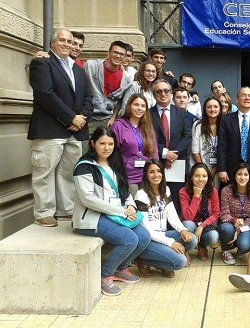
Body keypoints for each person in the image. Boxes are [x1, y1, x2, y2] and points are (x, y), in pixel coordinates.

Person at [73, 127, 151, 296]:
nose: (106, 147)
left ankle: (120, 268)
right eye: (102, 143)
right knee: (129, 239)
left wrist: (131, 206)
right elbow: (89, 199)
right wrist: (122, 211)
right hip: (93, 217)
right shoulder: (84, 167)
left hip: (117, 214)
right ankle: (105, 275)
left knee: (144, 236)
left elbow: (125, 191)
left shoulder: (114, 164)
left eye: (110, 144)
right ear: (93, 144)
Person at [28, 27, 93, 227]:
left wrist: (81, 118)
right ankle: (44, 213)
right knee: (44, 173)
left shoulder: (78, 69)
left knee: (67, 173)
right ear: (52, 43)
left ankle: (66, 210)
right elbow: (45, 95)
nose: (67, 44)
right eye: (62, 40)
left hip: (74, 132)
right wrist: (70, 118)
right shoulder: (42, 63)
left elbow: (88, 97)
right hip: (50, 130)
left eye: (70, 41)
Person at [134, 159, 197, 277]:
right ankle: (142, 260)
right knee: (180, 262)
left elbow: (172, 215)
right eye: (151, 172)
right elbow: (146, 229)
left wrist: (182, 230)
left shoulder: (165, 190)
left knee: (192, 239)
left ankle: (162, 263)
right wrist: (171, 243)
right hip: (148, 240)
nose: (156, 175)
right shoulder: (141, 195)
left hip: (163, 235)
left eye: (159, 171)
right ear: (146, 175)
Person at [218, 86, 250, 193]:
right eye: (243, 95)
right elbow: (222, 146)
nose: (247, 98)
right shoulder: (226, 119)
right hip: (231, 170)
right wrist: (222, 169)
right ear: (237, 99)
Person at [150, 79, 192, 212]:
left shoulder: (182, 112)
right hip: (156, 161)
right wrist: (164, 153)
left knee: (176, 198)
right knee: (156, 196)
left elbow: (187, 137)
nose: (163, 94)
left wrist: (173, 154)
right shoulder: (147, 114)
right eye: (159, 91)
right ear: (154, 94)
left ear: (170, 93)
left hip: (177, 163)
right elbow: (148, 137)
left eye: (166, 90)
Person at [110, 94, 158, 195]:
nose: (139, 108)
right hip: (127, 176)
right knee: (133, 207)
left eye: (143, 106)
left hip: (146, 176)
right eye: (136, 105)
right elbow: (113, 153)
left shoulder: (147, 127)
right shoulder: (118, 126)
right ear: (129, 106)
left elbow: (154, 152)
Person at [84, 41, 134, 134]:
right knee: (84, 148)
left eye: (122, 54)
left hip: (107, 120)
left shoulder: (127, 80)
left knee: (106, 148)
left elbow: (120, 101)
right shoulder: (91, 66)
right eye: (115, 52)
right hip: (87, 117)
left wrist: (113, 117)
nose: (118, 56)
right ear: (108, 53)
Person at [219, 163, 250, 264]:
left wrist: (238, 230)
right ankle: (226, 250)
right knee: (226, 229)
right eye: (239, 174)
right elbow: (224, 214)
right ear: (234, 175)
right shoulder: (226, 191)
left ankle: (240, 250)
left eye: (246, 174)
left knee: (245, 245)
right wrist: (234, 221)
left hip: (246, 225)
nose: (242, 177)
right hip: (229, 222)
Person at [179, 163, 220, 261]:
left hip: (204, 225)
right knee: (188, 224)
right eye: (197, 176)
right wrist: (196, 196)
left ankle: (202, 246)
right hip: (190, 225)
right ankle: (186, 249)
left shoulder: (212, 190)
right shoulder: (183, 191)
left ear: (208, 178)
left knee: (213, 236)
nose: (201, 179)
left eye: (204, 176)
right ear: (191, 177)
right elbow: (187, 217)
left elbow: (216, 213)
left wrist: (202, 226)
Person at [191, 97, 222, 181]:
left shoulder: (223, 125)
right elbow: (195, 151)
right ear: (204, 109)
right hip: (200, 169)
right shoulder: (198, 125)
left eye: (215, 107)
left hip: (218, 169)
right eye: (209, 107)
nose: (212, 109)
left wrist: (214, 170)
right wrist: (204, 171)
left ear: (220, 109)